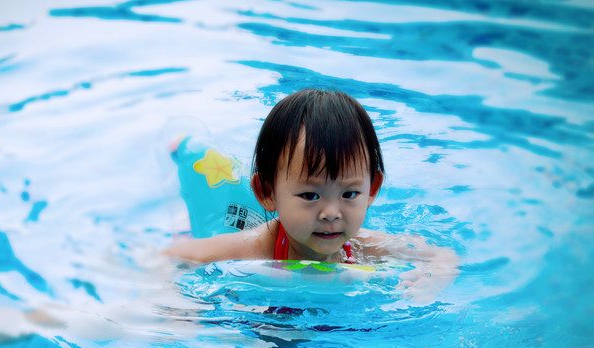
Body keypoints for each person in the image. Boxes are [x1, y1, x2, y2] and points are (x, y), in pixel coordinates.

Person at [164, 88, 458, 298]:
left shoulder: (361, 244)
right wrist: (175, 303)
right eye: (310, 195)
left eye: (350, 194)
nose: (331, 213)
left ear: (372, 190)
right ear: (267, 193)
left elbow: (442, 255)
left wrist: (432, 280)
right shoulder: (253, 247)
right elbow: (171, 256)